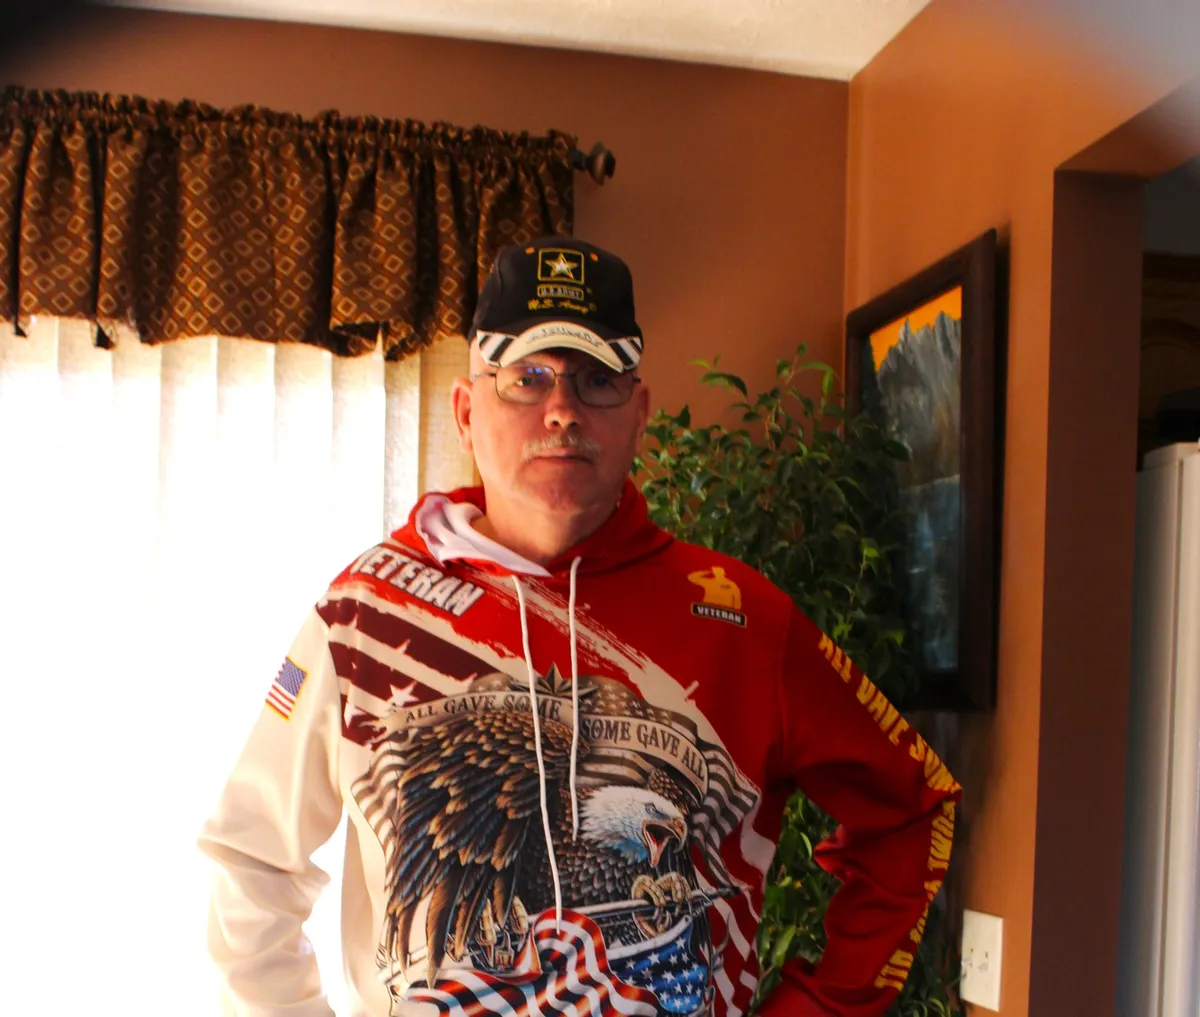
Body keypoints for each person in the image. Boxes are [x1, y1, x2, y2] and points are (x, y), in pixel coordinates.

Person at [200, 236, 960, 1017]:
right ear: (466, 410)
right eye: (526, 378)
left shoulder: (744, 620)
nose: (562, 409)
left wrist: (821, 1007)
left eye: (596, 379)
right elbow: (252, 857)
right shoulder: (365, 613)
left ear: (639, 413)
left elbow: (914, 803)